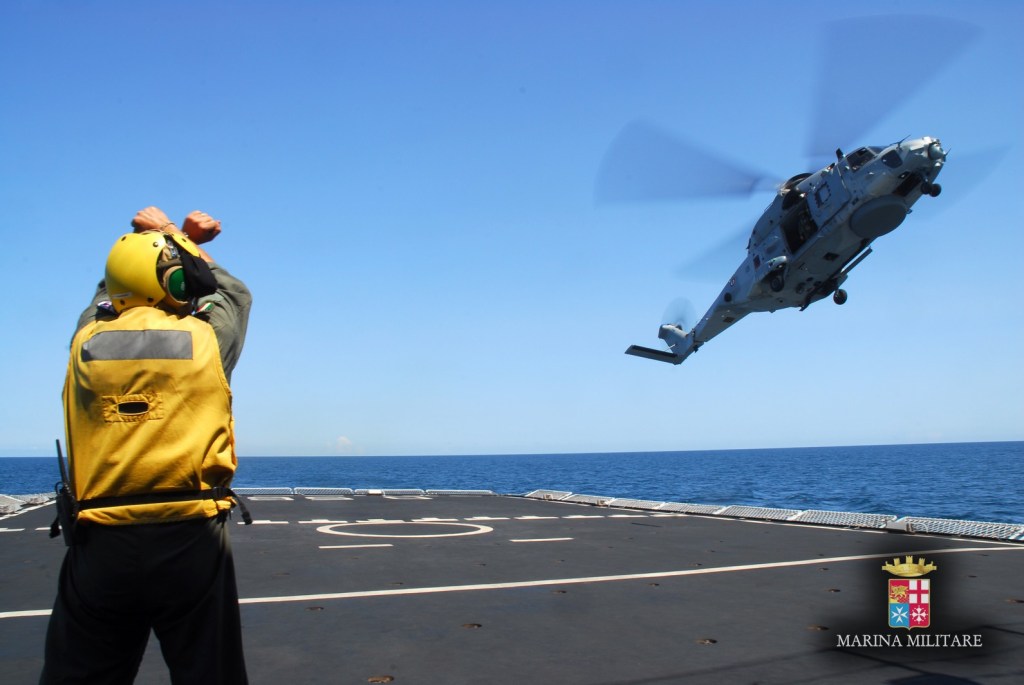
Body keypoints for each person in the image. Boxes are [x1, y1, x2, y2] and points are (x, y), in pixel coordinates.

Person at [41, 207, 253, 684]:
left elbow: (109, 293)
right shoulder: (207, 339)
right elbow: (232, 294)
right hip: (191, 540)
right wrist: (177, 236)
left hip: (100, 542)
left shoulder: (84, 342)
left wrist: (144, 247)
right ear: (174, 282)